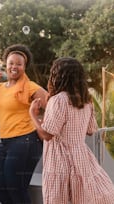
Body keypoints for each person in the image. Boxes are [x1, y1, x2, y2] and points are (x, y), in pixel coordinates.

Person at [29, 57, 114, 204]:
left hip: (59, 161)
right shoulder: (86, 100)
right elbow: (91, 130)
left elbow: (46, 135)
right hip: (81, 158)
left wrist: (33, 115)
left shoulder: (58, 100)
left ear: (58, 76)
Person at [0, 44, 48, 204]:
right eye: (11, 63)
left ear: (24, 67)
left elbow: (52, 105)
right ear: (5, 65)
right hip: (6, 141)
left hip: (27, 140)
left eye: (18, 64)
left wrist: (39, 121)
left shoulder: (30, 87)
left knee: (15, 186)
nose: (14, 67)